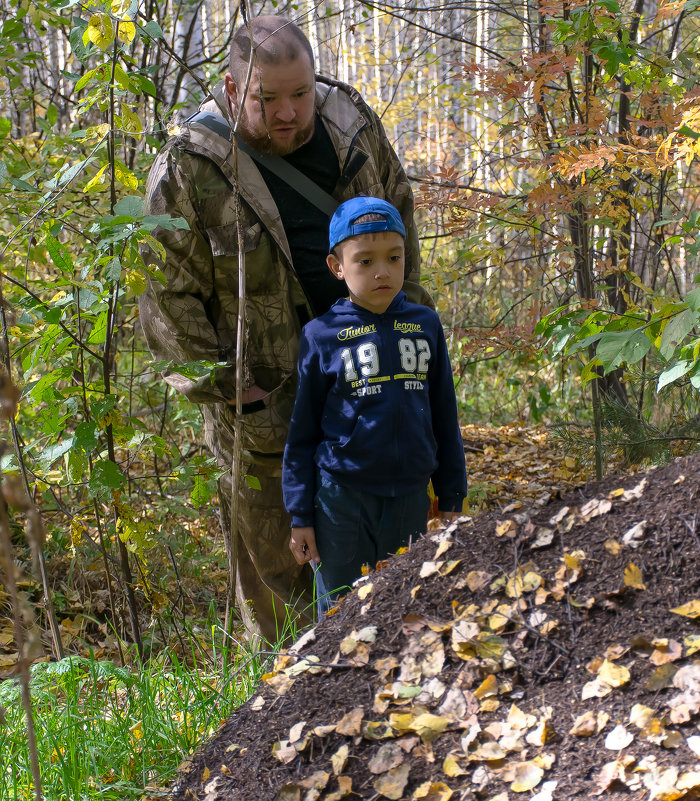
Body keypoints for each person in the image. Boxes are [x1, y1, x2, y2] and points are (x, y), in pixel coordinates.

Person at [137, 15, 431, 643]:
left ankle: (390, 686)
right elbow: (163, 293)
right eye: (266, 99)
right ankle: (283, 709)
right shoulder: (193, 163)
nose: (287, 113)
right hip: (266, 406)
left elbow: (400, 220)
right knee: (279, 576)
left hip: (372, 385)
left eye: (299, 93)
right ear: (230, 84)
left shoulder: (351, 126)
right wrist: (225, 384)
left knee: (393, 553)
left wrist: (415, 331)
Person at [282, 197, 466, 607]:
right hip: (340, 501)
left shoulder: (425, 325)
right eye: (364, 261)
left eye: (394, 257)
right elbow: (303, 432)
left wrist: (451, 496)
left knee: (403, 604)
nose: (382, 271)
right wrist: (301, 516)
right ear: (337, 267)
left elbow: (444, 413)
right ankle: (336, 673)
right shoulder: (322, 335)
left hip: (408, 497)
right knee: (342, 610)